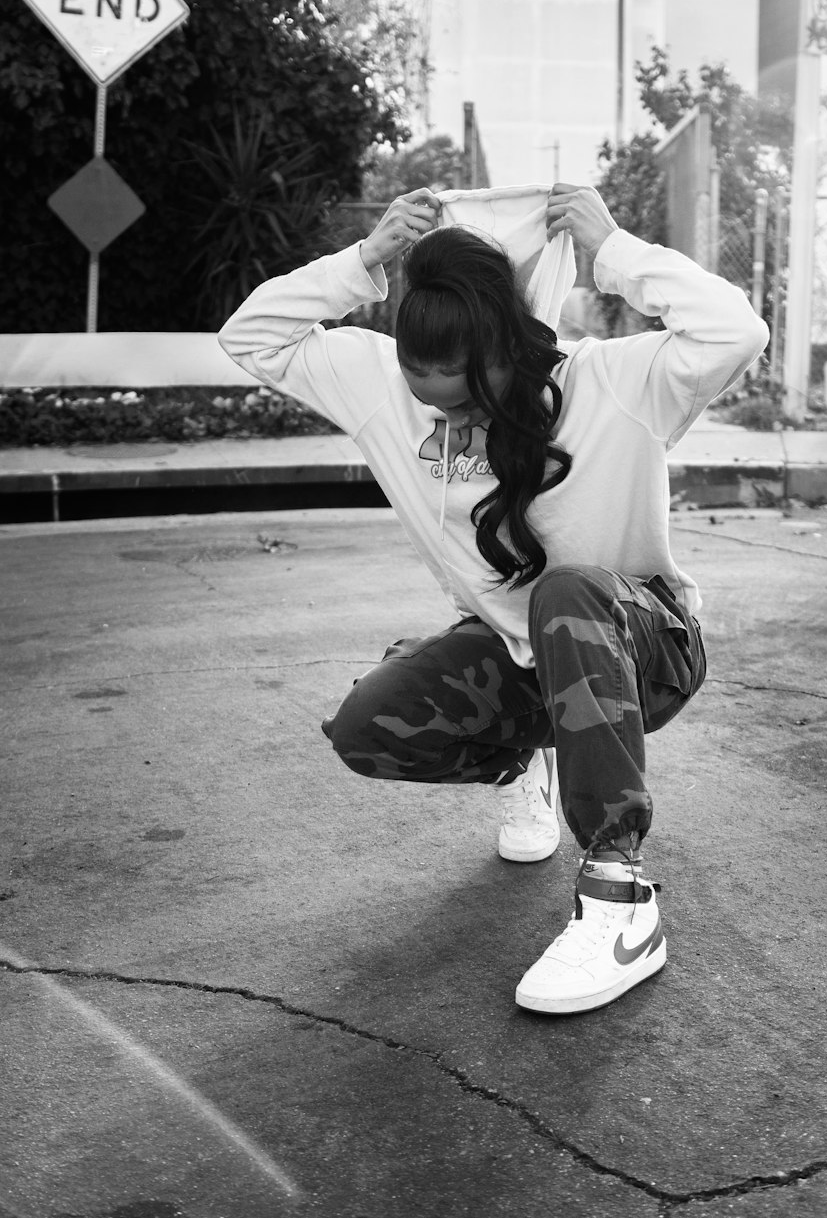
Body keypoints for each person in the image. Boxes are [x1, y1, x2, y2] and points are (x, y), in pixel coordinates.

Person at [219, 182, 768, 1014]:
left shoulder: (613, 383)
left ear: (513, 347)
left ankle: (620, 901)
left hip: (644, 646)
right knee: (369, 728)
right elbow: (248, 336)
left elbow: (739, 329)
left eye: (472, 395)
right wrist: (366, 261)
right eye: (431, 397)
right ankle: (530, 763)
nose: (454, 417)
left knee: (567, 594)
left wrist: (614, 249)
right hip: (523, 659)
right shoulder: (376, 386)